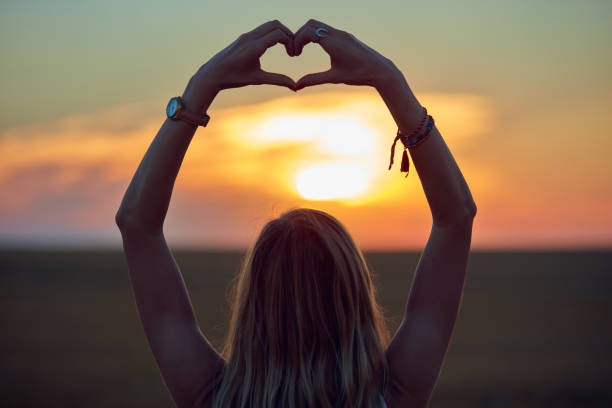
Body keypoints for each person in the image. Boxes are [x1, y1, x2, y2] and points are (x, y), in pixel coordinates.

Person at [115, 19, 477, 408]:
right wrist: (388, 79)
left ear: (255, 303)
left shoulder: (212, 398)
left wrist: (200, 88)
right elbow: (455, 217)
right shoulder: (395, 395)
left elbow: (137, 225)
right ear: (352, 294)